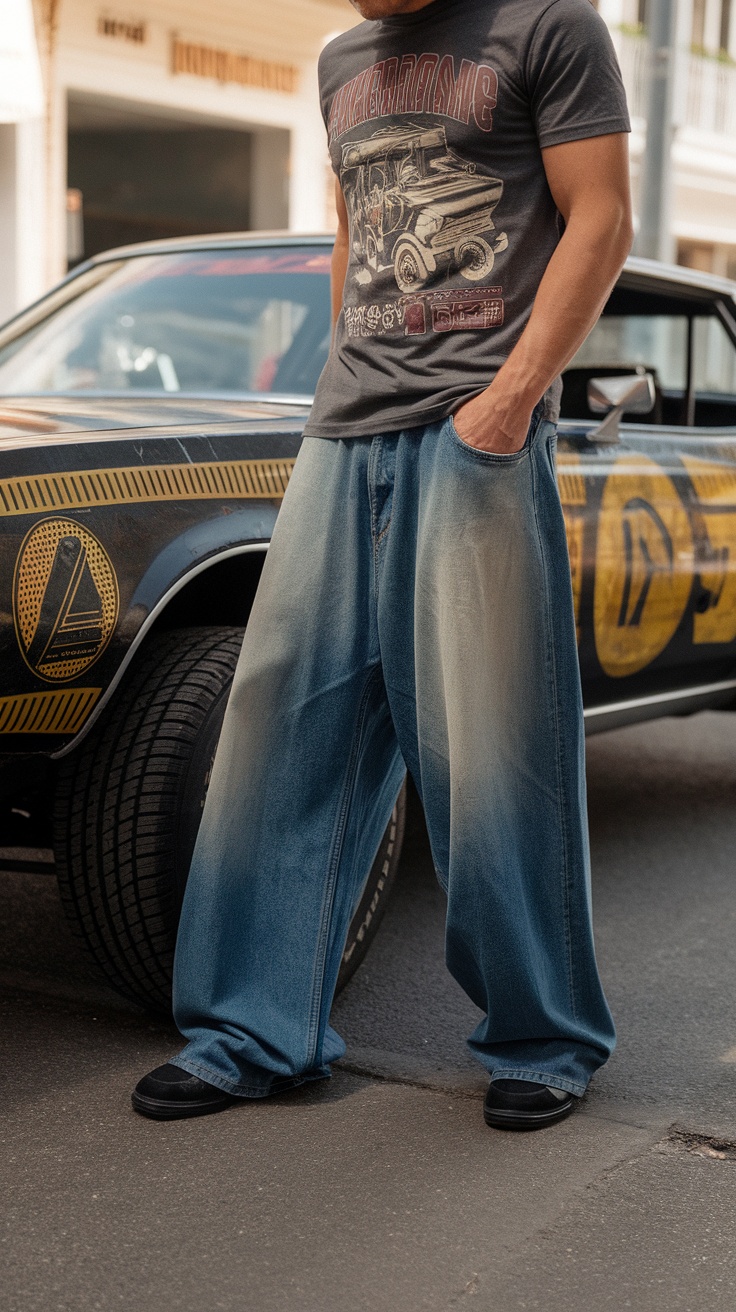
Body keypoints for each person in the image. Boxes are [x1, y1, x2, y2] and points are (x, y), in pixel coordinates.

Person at [133, 0, 632, 1129]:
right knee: (279, 724)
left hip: (477, 428)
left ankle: (541, 1035)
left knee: (491, 741)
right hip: (343, 431)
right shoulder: (341, 59)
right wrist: (333, 387)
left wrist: (507, 405)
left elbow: (598, 221)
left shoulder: (549, 24)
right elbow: (357, 236)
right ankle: (252, 1031)